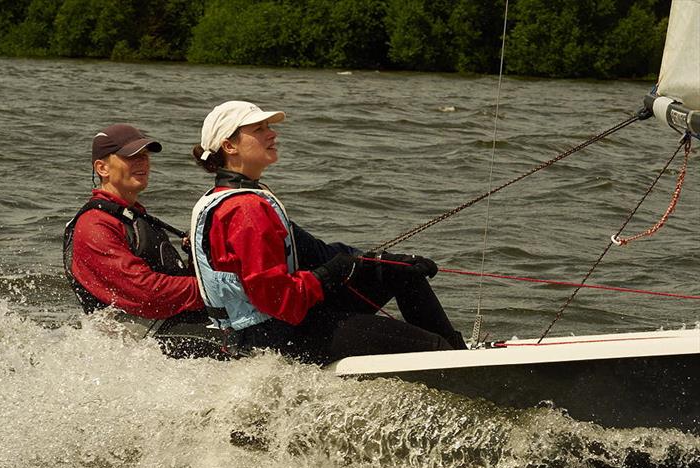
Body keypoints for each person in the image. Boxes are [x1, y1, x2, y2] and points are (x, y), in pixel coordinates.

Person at [190, 101, 467, 363]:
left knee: (404, 274)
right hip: (274, 336)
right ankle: (449, 355)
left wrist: (388, 260)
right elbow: (280, 301)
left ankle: (461, 356)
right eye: (259, 129)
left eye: (269, 127)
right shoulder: (245, 209)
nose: (272, 134)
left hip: (281, 324)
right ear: (229, 146)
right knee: (433, 348)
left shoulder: (235, 196)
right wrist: (328, 274)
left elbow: (317, 251)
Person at [63, 123, 224, 357]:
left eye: (145, 156)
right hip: (138, 342)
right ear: (102, 168)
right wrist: (218, 288)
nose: (142, 163)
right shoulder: (95, 225)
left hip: (163, 326)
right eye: (131, 157)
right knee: (249, 345)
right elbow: (147, 293)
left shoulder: (132, 216)